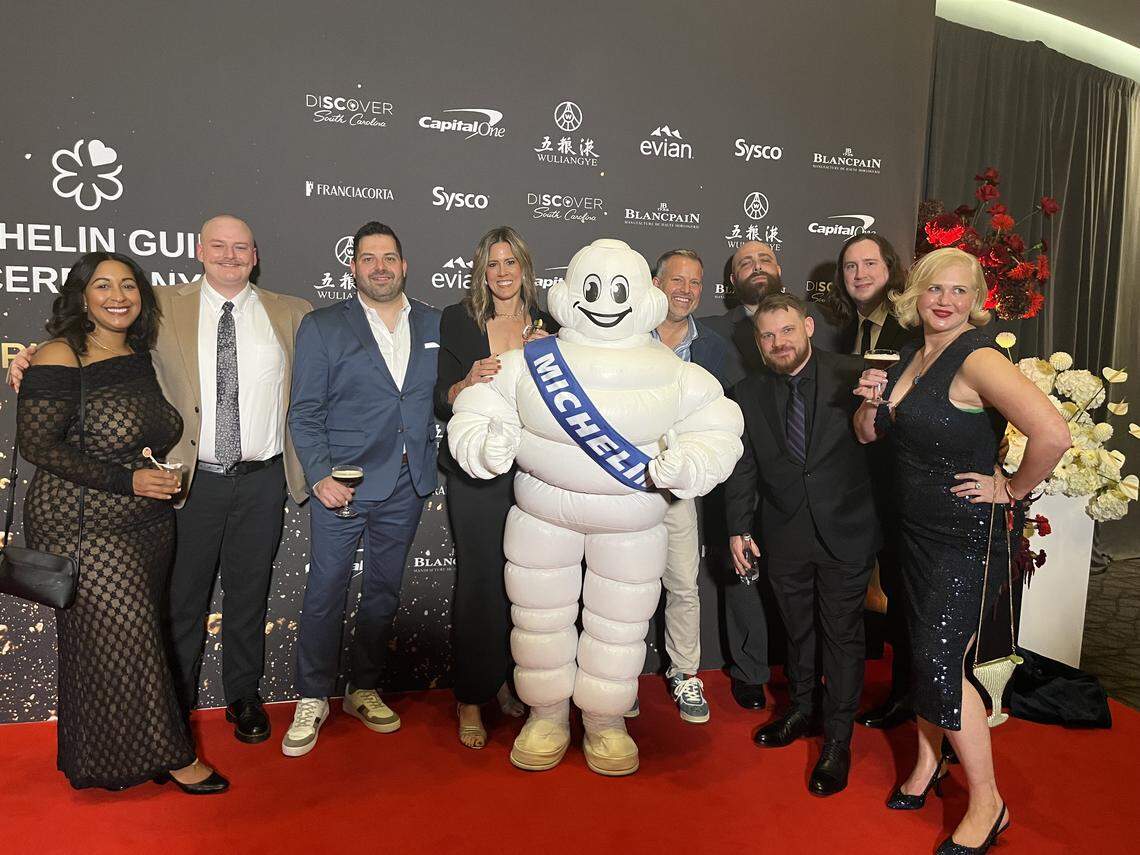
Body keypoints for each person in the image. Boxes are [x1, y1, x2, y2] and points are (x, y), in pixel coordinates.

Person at [7, 215, 313, 745]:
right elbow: (97, 334)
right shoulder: (161, 305)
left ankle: (244, 696)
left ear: (256, 255)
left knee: (250, 595)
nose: (230, 255)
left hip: (262, 478)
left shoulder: (293, 313)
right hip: (188, 480)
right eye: (218, 246)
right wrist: (35, 360)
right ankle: (177, 707)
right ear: (199, 250)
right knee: (182, 599)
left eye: (241, 247)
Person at [448, 238, 743, 776]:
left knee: (620, 625)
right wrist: (480, 440)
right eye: (592, 288)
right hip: (542, 516)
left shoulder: (672, 370)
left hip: (630, 524)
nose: (605, 300)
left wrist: (694, 459)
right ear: (567, 295)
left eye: (618, 290)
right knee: (538, 621)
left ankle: (606, 721)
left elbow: (719, 425)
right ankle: (546, 714)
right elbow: (479, 403)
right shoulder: (529, 361)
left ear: (644, 298)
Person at [853, 248, 1069, 852]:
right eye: (934, 289)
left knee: (944, 663)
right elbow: (868, 435)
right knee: (923, 656)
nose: (945, 301)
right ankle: (927, 762)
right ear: (915, 295)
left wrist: (1011, 489)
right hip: (912, 533)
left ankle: (989, 804)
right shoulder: (907, 356)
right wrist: (871, 402)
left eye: (960, 292)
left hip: (962, 539)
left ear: (975, 303)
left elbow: (1053, 433)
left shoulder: (979, 358)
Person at [15, 252, 226, 793]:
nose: (118, 296)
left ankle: (108, 756)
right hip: (81, 524)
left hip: (146, 524)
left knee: (111, 643)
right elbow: (36, 444)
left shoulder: (140, 354)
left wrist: (147, 478)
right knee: (126, 638)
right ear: (80, 296)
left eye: (128, 285)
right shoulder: (63, 354)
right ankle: (174, 756)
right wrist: (126, 481)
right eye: (103, 286)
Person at [284, 221, 440, 757]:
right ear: (352, 267)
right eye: (368, 258)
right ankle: (312, 695)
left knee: (382, 593)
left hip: (407, 481)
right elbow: (304, 412)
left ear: (404, 264)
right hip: (343, 486)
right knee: (326, 590)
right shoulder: (324, 326)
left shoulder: (435, 322)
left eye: (389, 257)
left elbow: (458, 385)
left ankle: (363, 687)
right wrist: (321, 475)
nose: (380, 267)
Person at [724, 292, 880, 796]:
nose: (778, 342)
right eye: (767, 335)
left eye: (787, 330)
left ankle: (837, 741)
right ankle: (802, 711)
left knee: (841, 638)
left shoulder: (853, 374)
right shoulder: (746, 394)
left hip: (847, 531)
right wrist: (737, 527)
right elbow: (743, 470)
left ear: (808, 327)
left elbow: (886, 441)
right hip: (784, 533)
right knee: (797, 632)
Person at [434, 226, 558, 749]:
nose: (503, 273)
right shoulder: (459, 319)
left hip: (536, 468)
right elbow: (442, 399)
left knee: (525, 584)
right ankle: (470, 697)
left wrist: (553, 357)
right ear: (481, 270)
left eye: (511, 263)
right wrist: (467, 382)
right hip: (478, 471)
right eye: (493, 264)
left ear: (525, 267)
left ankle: (507, 682)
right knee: (480, 581)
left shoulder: (549, 322)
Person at [819, 232, 921, 730]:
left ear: (891, 269)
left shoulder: (911, 329)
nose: (859, 274)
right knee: (884, 586)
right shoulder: (851, 331)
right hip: (868, 482)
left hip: (906, 481)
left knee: (905, 589)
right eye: (849, 266)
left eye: (869, 263)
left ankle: (909, 694)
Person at [648, 248, 744, 723]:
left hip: (678, 491)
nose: (685, 291)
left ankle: (685, 673)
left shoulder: (714, 349)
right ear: (655, 282)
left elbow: (726, 424)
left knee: (684, 584)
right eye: (676, 280)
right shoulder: (624, 336)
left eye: (695, 283)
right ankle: (619, 674)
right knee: (619, 582)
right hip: (621, 483)